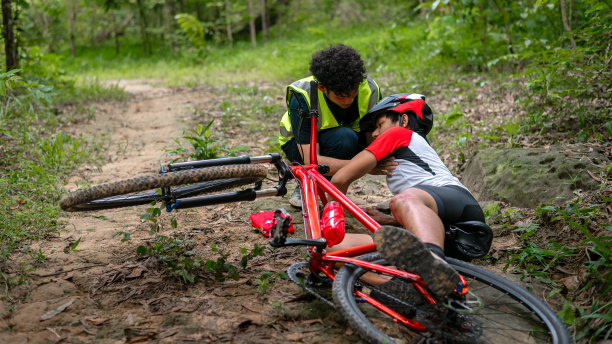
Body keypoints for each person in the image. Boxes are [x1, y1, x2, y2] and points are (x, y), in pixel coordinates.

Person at [329, 93, 486, 299]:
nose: (375, 133)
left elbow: (340, 179)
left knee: (403, 200)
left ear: (403, 120)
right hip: (442, 232)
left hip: (459, 207)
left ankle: (433, 264)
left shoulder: (399, 135)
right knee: (332, 248)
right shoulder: (413, 145)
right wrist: (391, 221)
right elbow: (426, 210)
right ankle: (399, 288)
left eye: (380, 124)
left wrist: (331, 216)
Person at [278, 43, 391, 207]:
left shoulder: (369, 89)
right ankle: (309, 184)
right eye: (341, 96)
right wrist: (365, 166)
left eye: (353, 95)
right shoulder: (303, 95)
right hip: (300, 146)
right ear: (323, 88)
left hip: (347, 139)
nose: (349, 101)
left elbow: (373, 139)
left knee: (353, 138)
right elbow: (312, 161)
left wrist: (378, 157)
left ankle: (334, 192)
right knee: (344, 138)